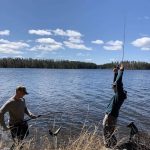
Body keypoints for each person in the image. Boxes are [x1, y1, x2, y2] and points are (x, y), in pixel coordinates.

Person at [103, 64, 127, 148]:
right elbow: (115, 85)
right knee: (110, 132)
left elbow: (118, 83)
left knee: (106, 132)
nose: (114, 88)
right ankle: (113, 145)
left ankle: (107, 147)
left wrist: (121, 71)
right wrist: (115, 73)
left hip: (110, 116)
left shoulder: (119, 94)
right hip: (113, 116)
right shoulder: (120, 95)